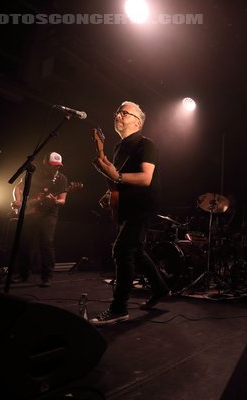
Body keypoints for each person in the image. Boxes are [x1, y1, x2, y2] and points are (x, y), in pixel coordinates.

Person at [89, 101, 170, 326]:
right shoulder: (118, 148)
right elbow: (117, 177)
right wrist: (110, 192)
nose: (119, 115)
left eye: (124, 112)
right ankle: (161, 288)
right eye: (118, 112)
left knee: (122, 249)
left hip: (144, 205)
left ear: (137, 121)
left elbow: (145, 178)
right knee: (137, 251)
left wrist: (116, 178)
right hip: (127, 204)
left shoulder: (146, 144)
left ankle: (119, 308)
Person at [11, 151, 67, 287]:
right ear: (45, 163)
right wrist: (18, 201)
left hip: (49, 214)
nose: (55, 168)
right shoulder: (33, 174)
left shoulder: (61, 178)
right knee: (25, 243)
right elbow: (18, 187)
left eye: (58, 165)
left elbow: (62, 200)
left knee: (46, 243)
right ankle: (23, 274)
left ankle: (46, 277)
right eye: (53, 165)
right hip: (30, 212)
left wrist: (55, 201)